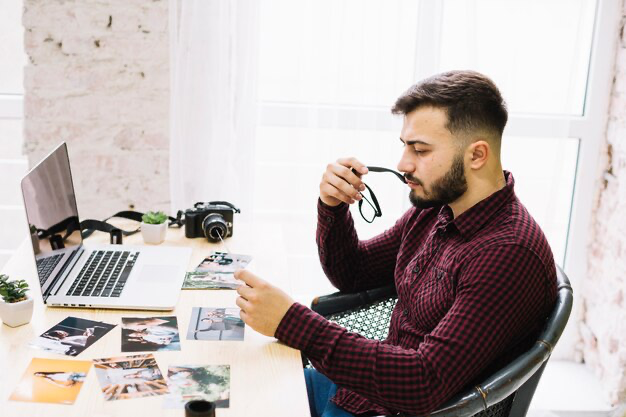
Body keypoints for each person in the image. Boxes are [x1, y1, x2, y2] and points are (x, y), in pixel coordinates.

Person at [233, 70, 558, 416]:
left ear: (477, 155)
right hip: (362, 393)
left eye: (420, 150)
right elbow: (353, 274)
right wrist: (333, 207)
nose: (403, 165)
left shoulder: (508, 255)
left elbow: (424, 381)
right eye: (405, 146)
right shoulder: (438, 208)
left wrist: (291, 322)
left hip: (396, 408)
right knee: (236, 388)